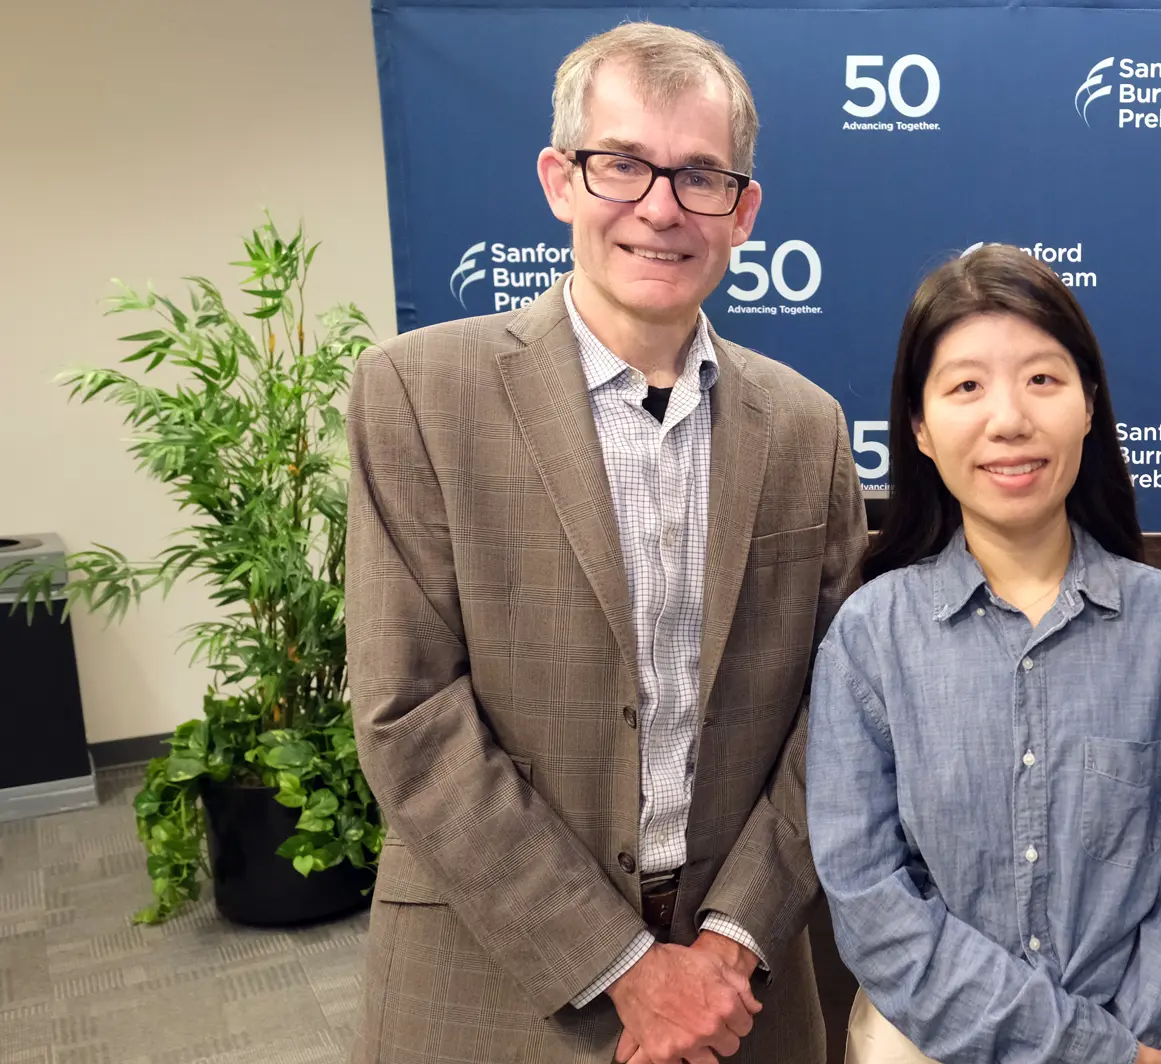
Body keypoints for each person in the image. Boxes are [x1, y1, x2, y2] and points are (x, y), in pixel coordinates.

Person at [345, 22, 864, 1064]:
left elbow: (844, 708)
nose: (660, 208)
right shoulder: (415, 392)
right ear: (559, 179)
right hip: (493, 974)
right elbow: (407, 711)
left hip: (741, 989)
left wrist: (726, 941)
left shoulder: (808, 427)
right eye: (621, 164)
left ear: (744, 210)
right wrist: (622, 961)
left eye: (699, 175)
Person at [805, 245, 1161, 1064]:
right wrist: (1082, 1051)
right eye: (966, 386)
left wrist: (1136, 1045)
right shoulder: (870, 638)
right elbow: (867, 895)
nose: (1009, 419)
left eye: (1042, 379)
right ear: (922, 429)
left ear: (1089, 405)